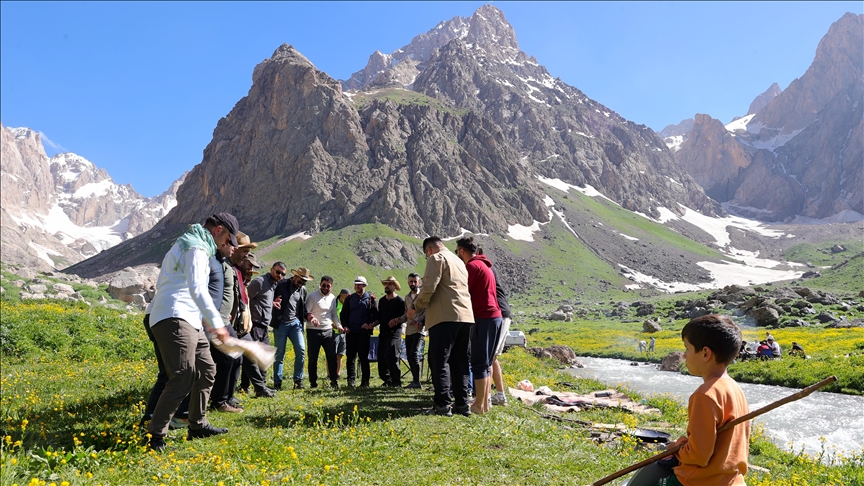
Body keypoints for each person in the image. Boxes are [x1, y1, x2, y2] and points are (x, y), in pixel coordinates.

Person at [145, 213, 239, 451]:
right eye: (228, 239)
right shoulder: (195, 247)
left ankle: (197, 424)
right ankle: (156, 436)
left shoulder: (198, 245)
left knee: (207, 370)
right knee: (183, 376)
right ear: (219, 230)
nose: (227, 245)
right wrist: (217, 324)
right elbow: (198, 288)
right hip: (175, 315)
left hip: (190, 318)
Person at [627, 314, 750, 486]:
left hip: (700, 482)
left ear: (705, 353)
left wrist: (677, 448)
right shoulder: (735, 388)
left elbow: (698, 456)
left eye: (687, 348)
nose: (684, 355)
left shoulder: (705, 395)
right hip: (732, 480)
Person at [412, 237, 474, 417]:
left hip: (444, 317)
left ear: (429, 250)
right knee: (461, 361)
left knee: (439, 361)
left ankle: (442, 405)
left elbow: (428, 287)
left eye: (426, 254)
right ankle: (462, 404)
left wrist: (415, 306)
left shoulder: (436, 258)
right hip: (466, 317)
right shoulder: (459, 261)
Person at [456, 237, 502, 415]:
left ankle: (478, 405)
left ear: (462, 251)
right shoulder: (485, 265)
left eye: (457, 251)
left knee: (479, 363)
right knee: (486, 363)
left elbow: (463, 291)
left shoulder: (472, 267)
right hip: (494, 317)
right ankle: (484, 403)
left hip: (483, 317)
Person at [230, 248, 274, 398]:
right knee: (234, 362)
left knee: (251, 357)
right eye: (248, 271)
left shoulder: (243, 286)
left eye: (251, 273)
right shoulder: (234, 279)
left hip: (242, 329)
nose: (249, 276)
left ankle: (260, 388)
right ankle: (227, 395)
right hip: (233, 328)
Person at [209, 239, 243, 413]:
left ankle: (228, 396)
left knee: (236, 357)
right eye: (244, 251)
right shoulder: (217, 264)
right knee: (226, 358)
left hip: (225, 320)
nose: (245, 255)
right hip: (217, 320)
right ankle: (219, 401)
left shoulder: (228, 266)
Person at [244, 261, 285, 390]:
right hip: (255, 324)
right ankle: (246, 386)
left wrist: (271, 303)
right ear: (271, 269)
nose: (280, 275)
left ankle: (261, 385)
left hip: (264, 326)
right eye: (278, 272)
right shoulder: (260, 282)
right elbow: (245, 298)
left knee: (265, 355)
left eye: (282, 274)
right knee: (252, 356)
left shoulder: (273, 284)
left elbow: (261, 299)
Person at [272, 267, 312, 390]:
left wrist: (308, 316)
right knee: (279, 354)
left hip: (295, 324)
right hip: (281, 324)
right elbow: (271, 298)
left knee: (301, 350)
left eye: (303, 282)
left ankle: (298, 381)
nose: (301, 284)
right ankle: (277, 383)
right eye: (300, 281)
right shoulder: (281, 285)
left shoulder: (303, 290)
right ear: (295, 276)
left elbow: (302, 308)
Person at [305, 276, 344, 389]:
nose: (325, 288)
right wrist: (312, 319)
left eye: (328, 286)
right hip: (313, 331)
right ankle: (313, 383)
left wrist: (339, 325)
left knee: (332, 357)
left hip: (328, 331)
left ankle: (334, 381)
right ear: (320, 284)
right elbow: (306, 312)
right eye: (324, 285)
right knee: (313, 358)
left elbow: (334, 315)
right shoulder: (312, 296)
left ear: (331, 287)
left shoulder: (332, 298)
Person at [340, 276, 378, 387]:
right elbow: (343, 314)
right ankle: (351, 381)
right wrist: (345, 326)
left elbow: (376, 315)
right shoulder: (349, 299)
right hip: (351, 332)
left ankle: (365, 382)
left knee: (364, 358)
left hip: (364, 333)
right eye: (355, 284)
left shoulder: (371, 299)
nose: (356, 286)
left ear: (364, 285)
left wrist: (368, 323)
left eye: (359, 284)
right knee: (350, 358)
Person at [488, 264, 510, 406]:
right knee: (493, 357)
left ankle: (486, 397)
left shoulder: (483, 268)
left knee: (489, 357)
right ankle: (500, 395)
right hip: (502, 314)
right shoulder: (488, 268)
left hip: (498, 314)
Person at [379, 276, 406, 387]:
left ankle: (396, 381)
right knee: (381, 357)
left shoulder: (400, 301)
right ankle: (387, 380)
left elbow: (403, 317)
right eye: (386, 284)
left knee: (391, 355)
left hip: (394, 333)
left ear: (394, 286)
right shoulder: (381, 301)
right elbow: (380, 317)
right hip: (383, 332)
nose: (387, 286)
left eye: (389, 284)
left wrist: (396, 321)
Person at [400, 273, 426, 389]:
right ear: (408, 282)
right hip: (409, 330)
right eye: (411, 281)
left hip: (419, 330)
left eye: (415, 281)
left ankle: (417, 381)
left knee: (414, 354)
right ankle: (415, 380)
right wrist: (398, 320)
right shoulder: (407, 297)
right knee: (409, 355)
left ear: (419, 282)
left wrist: (421, 322)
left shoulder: (423, 296)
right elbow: (406, 314)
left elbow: (427, 311)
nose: (413, 283)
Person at [331, 289, 350, 381]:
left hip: (343, 333)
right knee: (332, 355)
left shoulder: (347, 305)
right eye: (346, 296)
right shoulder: (334, 303)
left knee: (340, 354)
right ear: (341, 295)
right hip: (334, 332)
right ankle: (330, 374)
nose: (347, 298)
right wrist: (333, 325)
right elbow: (330, 315)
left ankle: (337, 374)